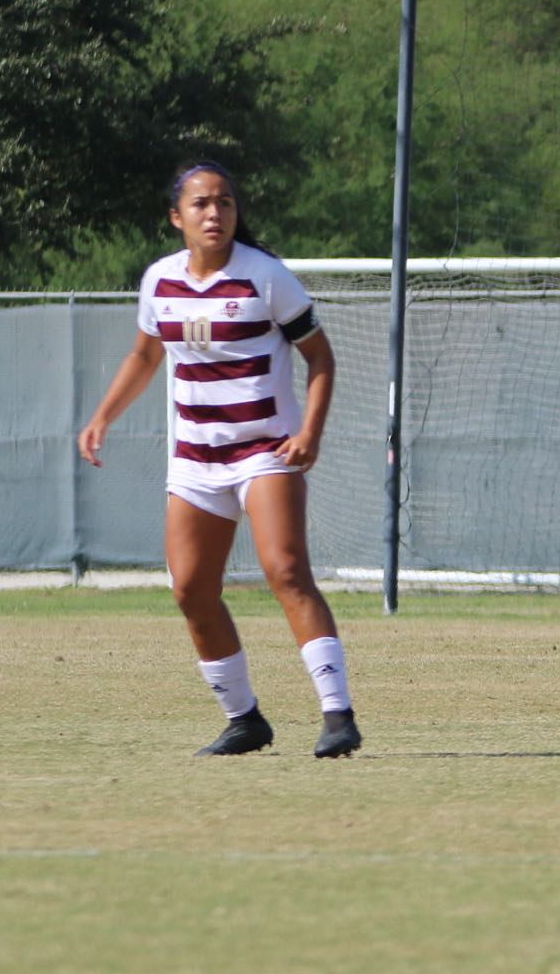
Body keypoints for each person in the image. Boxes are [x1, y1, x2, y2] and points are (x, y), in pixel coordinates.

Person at [75, 162, 360, 759]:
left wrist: (310, 431)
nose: (215, 213)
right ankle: (244, 719)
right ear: (176, 217)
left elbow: (322, 359)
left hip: (264, 452)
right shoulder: (160, 281)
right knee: (191, 591)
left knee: (285, 571)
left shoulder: (266, 277)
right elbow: (145, 355)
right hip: (195, 462)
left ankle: (337, 716)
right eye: (201, 204)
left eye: (225, 202)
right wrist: (102, 416)